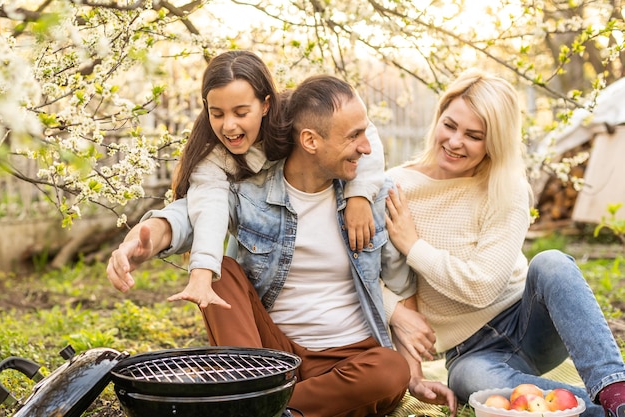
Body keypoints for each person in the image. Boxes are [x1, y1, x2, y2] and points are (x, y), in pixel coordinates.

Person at [107, 74, 457, 417]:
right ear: (310, 140)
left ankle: (252, 405)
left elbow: (399, 282)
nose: (366, 147)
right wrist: (146, 239)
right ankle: (266, 398)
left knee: (388, 371)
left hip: (352, 357)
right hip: (270, 354)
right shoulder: (252, 190)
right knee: (220, 272)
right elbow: (191, 214)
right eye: (354, 137)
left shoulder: (369, 198)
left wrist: (414, 375)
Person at [383, 68, 625, 417]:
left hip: (529, 320)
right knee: (468, 379)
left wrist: (413, 245)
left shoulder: (506, 186)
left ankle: (615, 390)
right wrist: (394, 311)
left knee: (552, 262)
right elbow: (361, 271)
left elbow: (482, 288)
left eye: (473, 135)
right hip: (470, 351)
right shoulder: (395, 187)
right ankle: (603, 412)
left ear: (493, 141)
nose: (454, 142)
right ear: (438, 118)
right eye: (449, 126)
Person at [166, 50, 385, 310]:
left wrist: (358, 195)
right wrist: (202, 271)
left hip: (297, 215)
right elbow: (209, 207)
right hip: (255, 231)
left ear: (266, 105)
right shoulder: (212, 158)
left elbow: (361, 131)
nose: (228, 126)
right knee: (228, 278)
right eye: (217, 114)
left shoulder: (290, 113)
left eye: (241, 112)